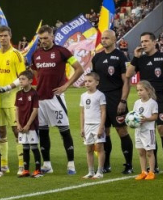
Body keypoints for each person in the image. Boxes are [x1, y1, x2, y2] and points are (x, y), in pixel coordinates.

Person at [31, 25, 83, 175]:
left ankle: (71, 164)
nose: (43, 41)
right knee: (43, 132)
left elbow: (79, 69)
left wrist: (66, 85)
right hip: (40, 99)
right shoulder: (36, 54)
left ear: (52, 37)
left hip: (56, 98)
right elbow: (35, 72)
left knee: (64, 131)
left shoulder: (62, 51)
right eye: (41, 39)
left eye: (46, 38)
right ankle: (47, 165)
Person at [126, 31, 163, 175]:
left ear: (154, 42)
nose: (144, 44)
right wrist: (135, 57)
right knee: (149, 131)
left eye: (147, 41)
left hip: (161, 97)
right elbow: (128, 74)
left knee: (162, 128)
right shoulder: (140, 59)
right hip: (146, 100)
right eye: (142, 41)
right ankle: (153, 166)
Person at [91, 29, 132, 174]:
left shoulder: (121, 57)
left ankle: (129, 165)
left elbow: (126, 81)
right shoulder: (97, 57)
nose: (104, 40)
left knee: (121, 130)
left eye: (107, 38)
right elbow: (94, 79)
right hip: (100, 99)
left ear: (114, 40)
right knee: (104, 131)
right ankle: (106, 164)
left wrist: (123, 100)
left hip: (116, 98)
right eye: (103, 38)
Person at [0, 25, 27, 174]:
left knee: (17, 130)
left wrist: (7, 87)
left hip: (13, 98)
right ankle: (4, 164)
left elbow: (22, 77)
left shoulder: (16, 54)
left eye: (5, 35)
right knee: (1, 131)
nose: (3, 38)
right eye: (0, 36)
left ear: (10, 36)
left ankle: (22, 164)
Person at [15, 71, 42, 178]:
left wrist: (28, 124)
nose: (20, 81)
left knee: (34, 147)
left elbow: (35, 110)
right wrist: (18, 124)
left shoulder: (34, 94)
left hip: (31, 126)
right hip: (21, 125)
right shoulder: (18, 94)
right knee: (25, 147)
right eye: (19, 79)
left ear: (30, 81)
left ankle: (38, 170)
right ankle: (26, 170)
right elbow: (16, 109)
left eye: (23, 79)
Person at [79, 73, 106, 179]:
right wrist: (82, 127)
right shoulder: (83, 96)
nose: (87, 83)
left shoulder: (100, 95)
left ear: (97, 83)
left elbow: (103, 112)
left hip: (97, 125)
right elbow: (82, 112)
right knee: (89, 149)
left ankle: (100, 172)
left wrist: (101, 127)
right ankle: (90, 172)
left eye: (90, 81)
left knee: (99, 148)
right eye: (85, 81)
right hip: (87, 126)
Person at [133, 81, 160, 181]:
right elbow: (134, 116)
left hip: (148, 131)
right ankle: (143, 172)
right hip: (138, 131)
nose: (139, 92)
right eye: (138, 90)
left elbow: (155, 116)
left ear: (148, 90)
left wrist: (146, 119)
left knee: (149, 152)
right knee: (141, 152)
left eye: (141, 90)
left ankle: (151, 172)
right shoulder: (137, 103)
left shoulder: (152, 103)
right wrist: (133, 122)